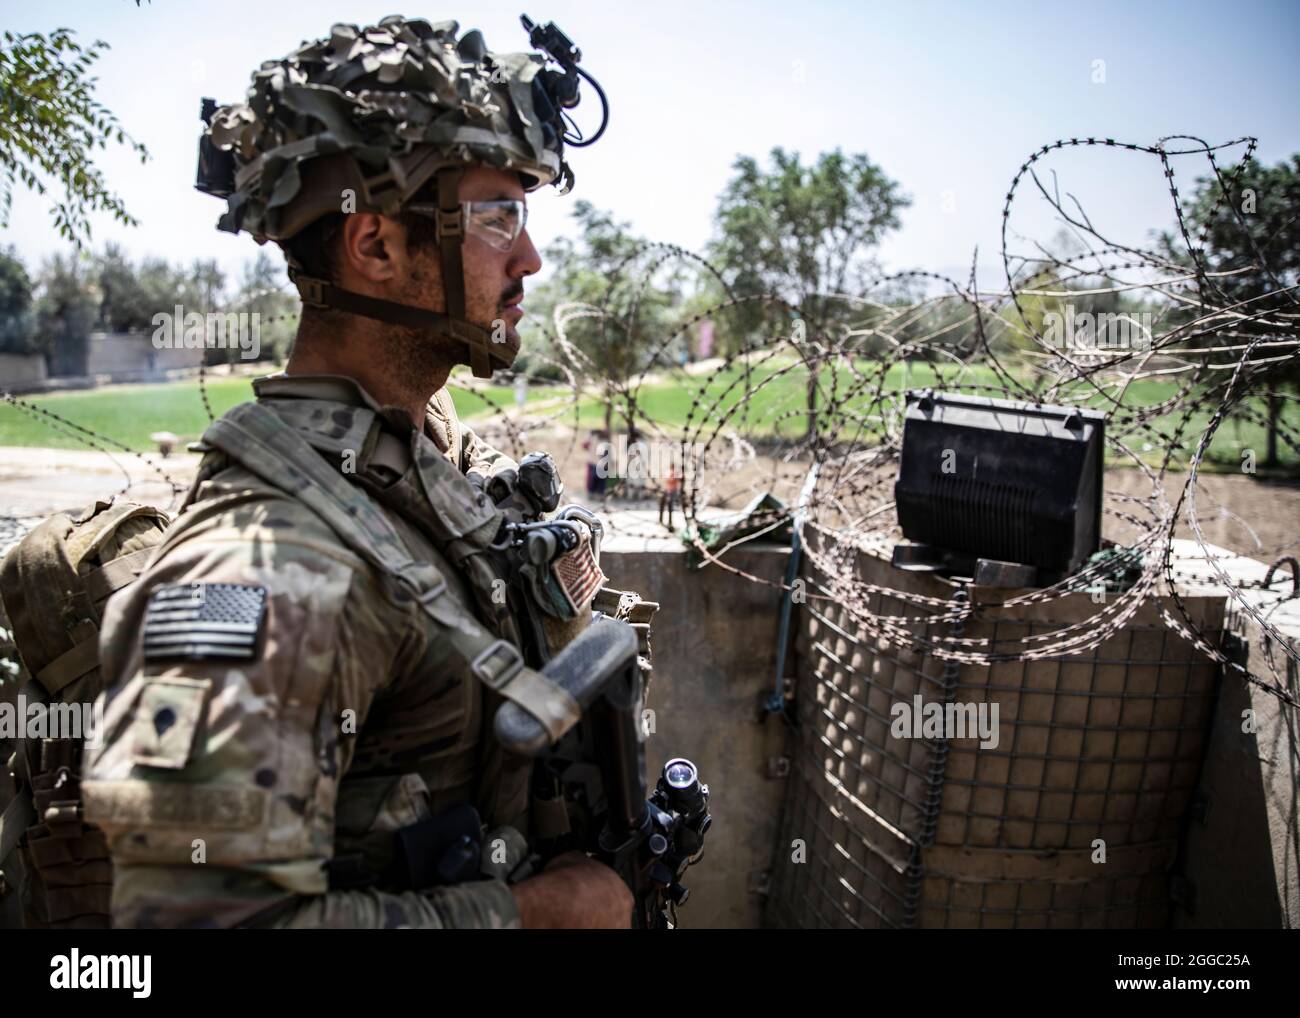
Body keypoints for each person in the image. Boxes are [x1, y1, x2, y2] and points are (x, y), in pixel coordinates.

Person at [82, 15, 632, 929]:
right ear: (374, 245)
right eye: (498, 218)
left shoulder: (410, 452)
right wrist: (532, 914)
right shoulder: (263, 570)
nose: (530, 259)